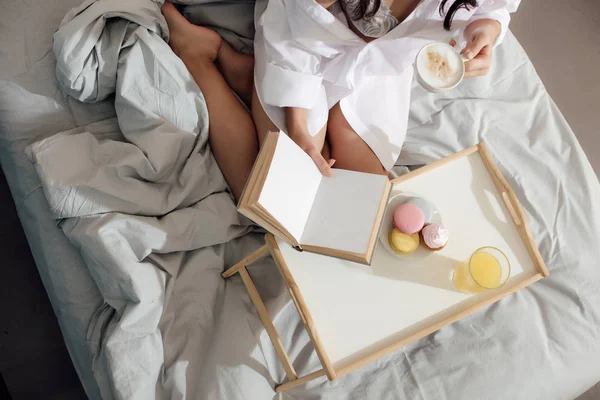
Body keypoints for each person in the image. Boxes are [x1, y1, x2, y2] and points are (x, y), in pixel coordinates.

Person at [160, 0, 520, 202]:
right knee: (273, 196)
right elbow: (293, 37)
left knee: (362, 203)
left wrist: (487, 29)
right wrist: (299, 129)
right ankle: (201, 55)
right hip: (303, 50)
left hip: (381, 66)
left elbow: (497, 7)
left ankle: (246, 76)